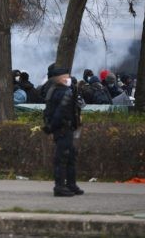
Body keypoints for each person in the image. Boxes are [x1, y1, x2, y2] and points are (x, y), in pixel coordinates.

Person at [44, 67, 84, 197]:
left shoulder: (55, 90)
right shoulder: (62, 92)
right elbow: (60, 112)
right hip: (63, 128)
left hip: (64, 128)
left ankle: (70, 185)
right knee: (62, 158)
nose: (68, 79)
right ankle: (60, 186)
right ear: (59, 79)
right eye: (66, 77)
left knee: (69, 157)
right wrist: (53, 126)